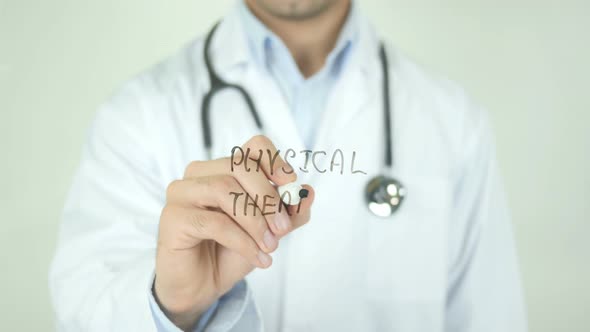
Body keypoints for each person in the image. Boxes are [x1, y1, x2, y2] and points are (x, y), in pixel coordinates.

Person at [49, 0, 527, 331]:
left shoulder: (453, 123)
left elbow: (492, 319)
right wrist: (171, 306)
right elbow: (81, 313)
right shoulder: (138, 116)